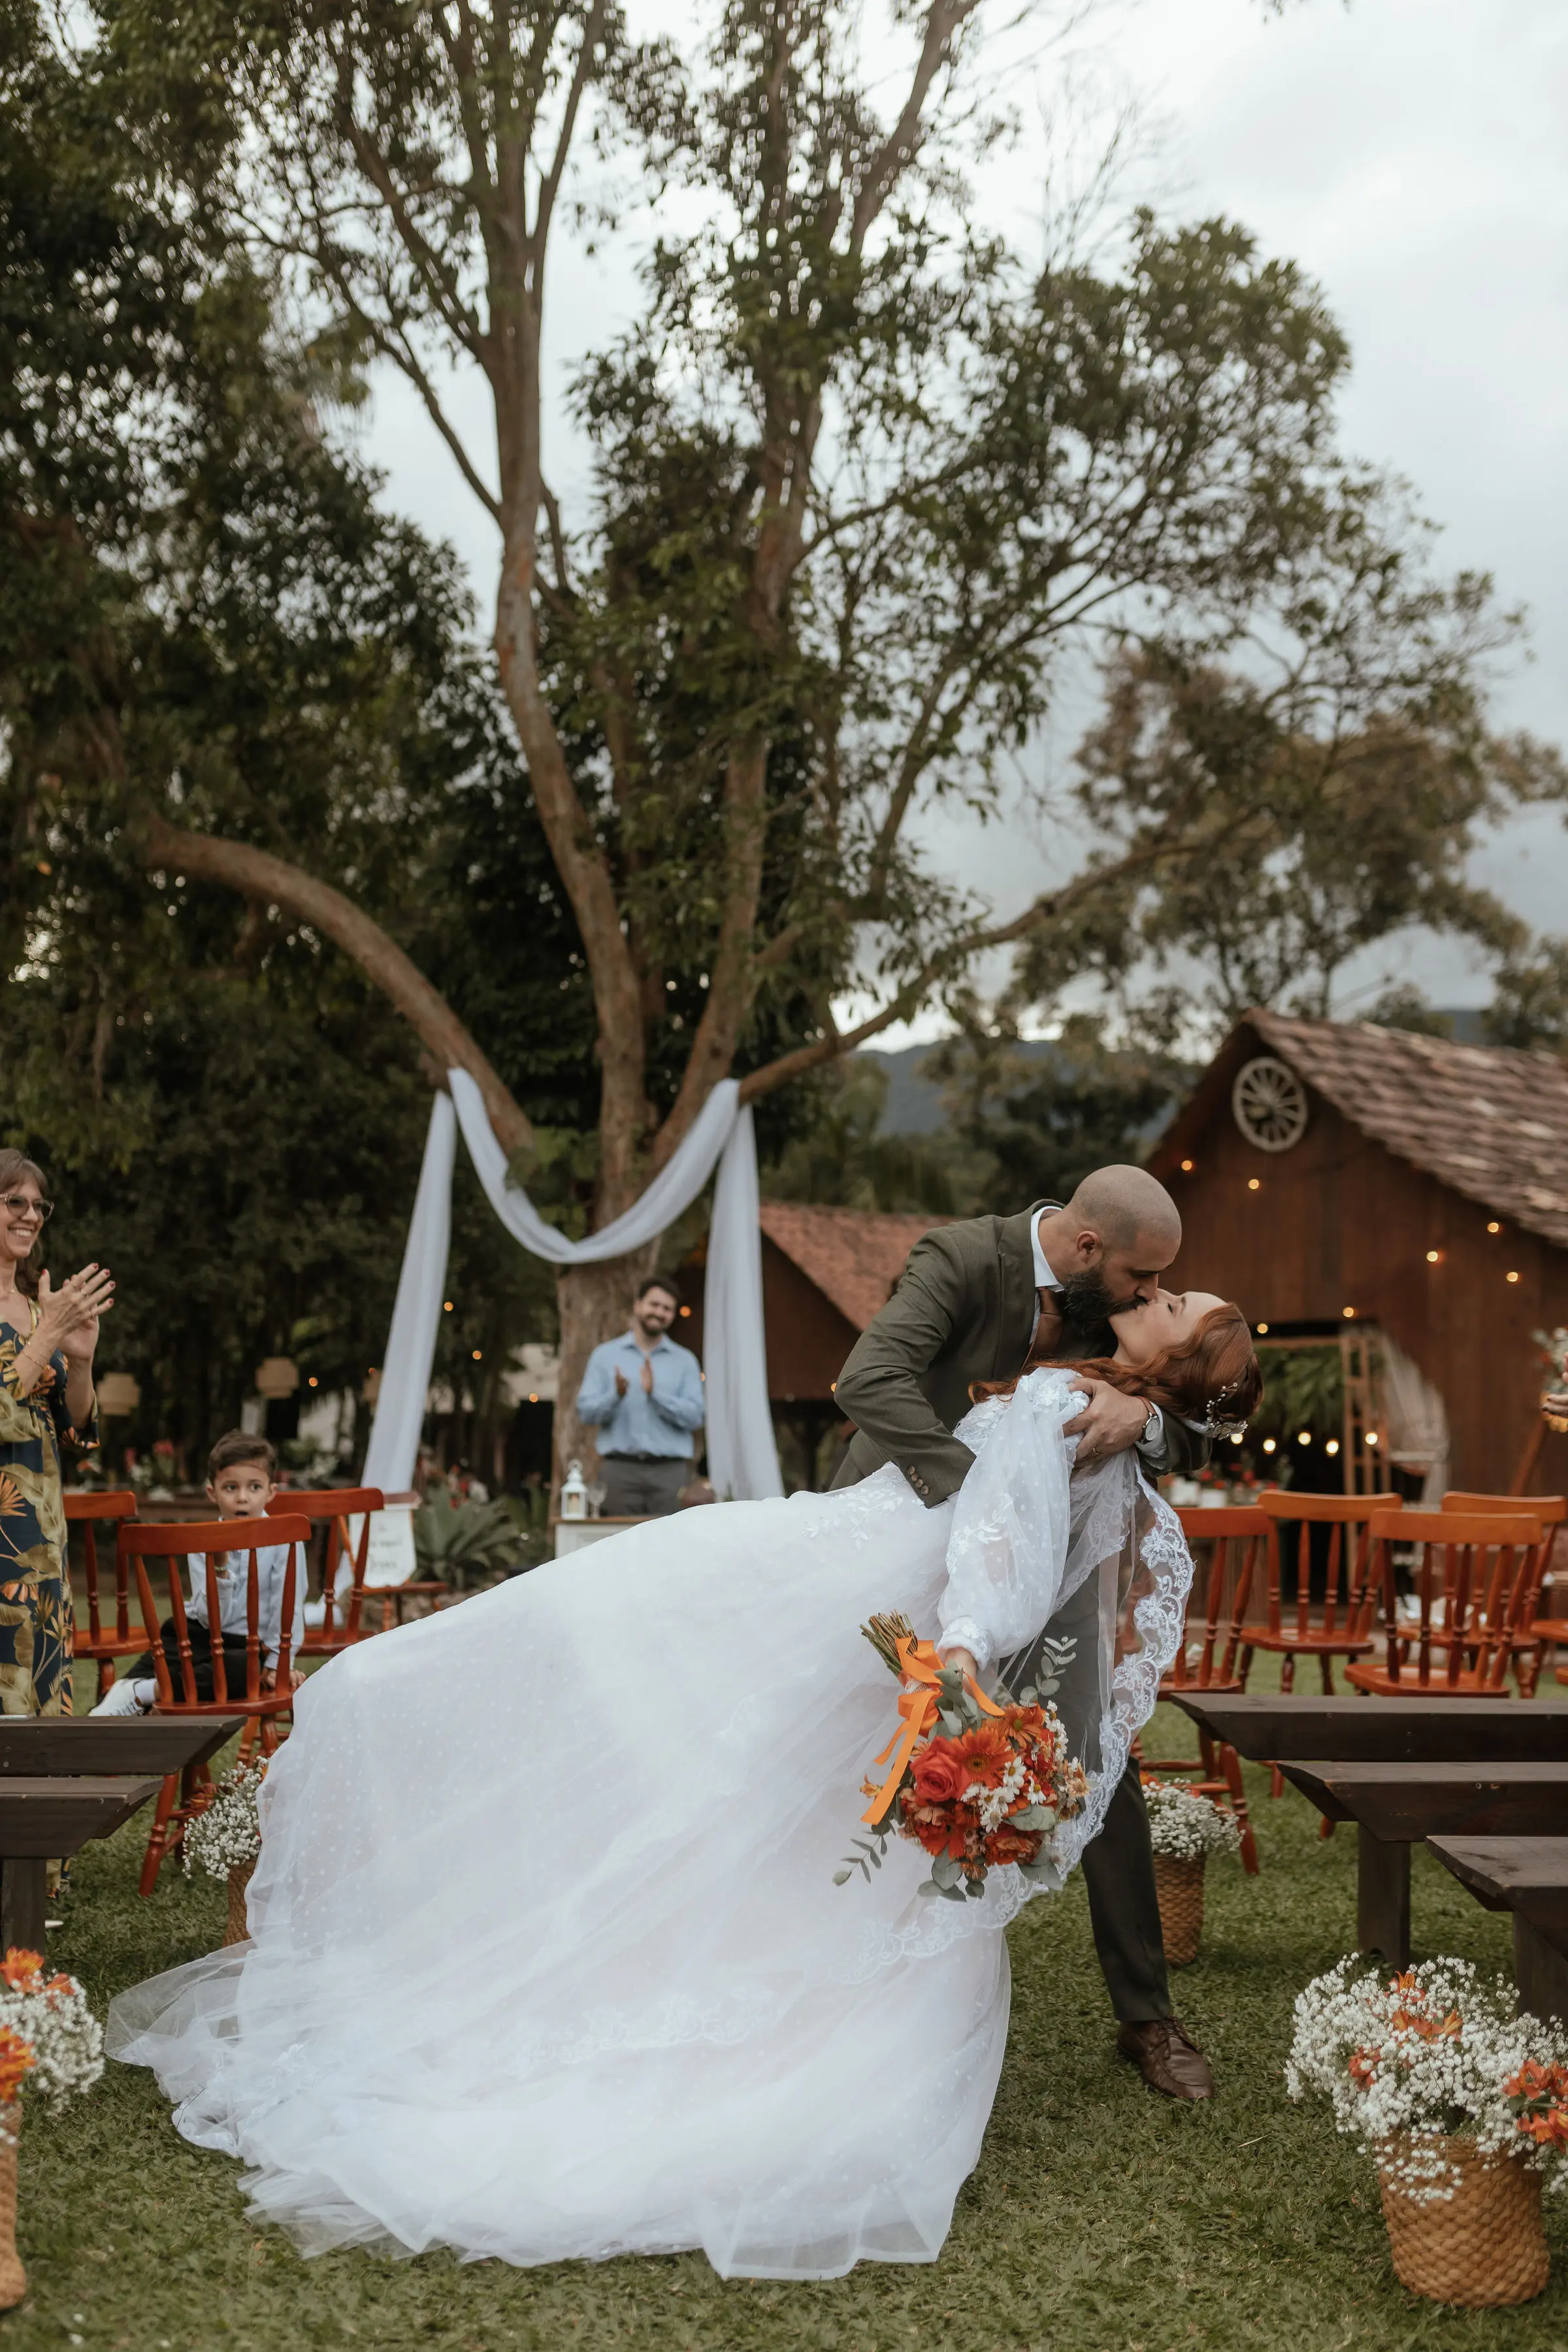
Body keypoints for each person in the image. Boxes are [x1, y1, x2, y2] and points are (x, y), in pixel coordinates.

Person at [108, 1282, 1260, 2279]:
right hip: (875, 1576)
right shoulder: (1072, 1379)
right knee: (711, 1738)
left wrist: (964, 1656)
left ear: (1171, 1368)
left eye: (1176, 1307)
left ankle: (725, 1978)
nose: (1157, 1293)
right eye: (1162, 1285)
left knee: (742, 1754)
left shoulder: (1089, 1408)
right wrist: (966, 1649)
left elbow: (1020, 1546)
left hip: (902, 1601)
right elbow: (1011, 1525)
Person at [830, 1166, 1220, 2100]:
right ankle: (833, 1972)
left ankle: (1147, 2017)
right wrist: (987, 1501)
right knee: (846, 1741)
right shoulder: (962, 1258)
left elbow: (1206, 1407)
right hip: (904, 1532)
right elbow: (870, 1379)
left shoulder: (1112, 1303)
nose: (1150, 1295)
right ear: (1087, 1248)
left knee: (1101, 1755)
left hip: (1048, 1573)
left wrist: (1146, 1416)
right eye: (1140, 1278)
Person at [0, 1150, 112, 1716]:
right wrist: (46, 1338)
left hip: (42, 1532)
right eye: (14, 1201)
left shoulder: (40, 1308)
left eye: (39, 1206)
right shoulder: (47, 1320)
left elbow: (75, 1430)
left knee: (40, 1694)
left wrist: (82, 1360)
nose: (31, 1215)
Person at [92, 1433, 305, 1714]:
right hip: (195, 1634)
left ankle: (146, 1692)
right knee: (107, 1708)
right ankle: (133, 1693)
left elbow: (288, 1608)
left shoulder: (284, 1541)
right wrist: (220, 1568)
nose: (242, 1498)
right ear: (212, 1492)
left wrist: (279, 1664)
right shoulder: (202, 1541)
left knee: (244, 1671)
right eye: (231, 1488)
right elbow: (210, 1618)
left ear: (271, 1492)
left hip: (245, 1648)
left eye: (254, 1487)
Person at [574, 1275, 706, 1517]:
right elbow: (586, 1413)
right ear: (638, 1305)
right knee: (617, 1539)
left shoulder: (685, 1361)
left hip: (670, 1473)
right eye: (654, 1304)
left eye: (667, 1308)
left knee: (672, 1540)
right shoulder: (605, 1356)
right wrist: (616, 1396)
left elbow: (696, 1417)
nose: (659, 1312)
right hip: (619, 1471)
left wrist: (656, 1395)